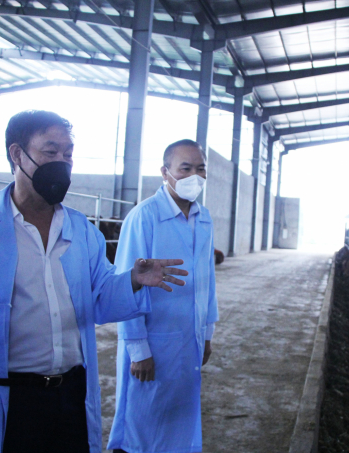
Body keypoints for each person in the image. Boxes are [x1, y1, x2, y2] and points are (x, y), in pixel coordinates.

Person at [0, 110, 188, 453]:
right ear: (17, 154)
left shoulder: (82, 231)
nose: (62, 161)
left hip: (71, 394)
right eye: (50, 151)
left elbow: (100, 299)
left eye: (68, 153)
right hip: (11, 399)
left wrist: (132, 280)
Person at [108, 139, 219, 453]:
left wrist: (207, 333)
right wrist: (138, 349)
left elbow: (207, 281)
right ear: (165, 172)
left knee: (179, 420)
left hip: (190, 336)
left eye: (200, 169)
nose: (193, 176)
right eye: (185, 168)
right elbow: (124, 286)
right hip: (153, 339)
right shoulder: (144, 217)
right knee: (141, 424)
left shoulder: (204, 218)